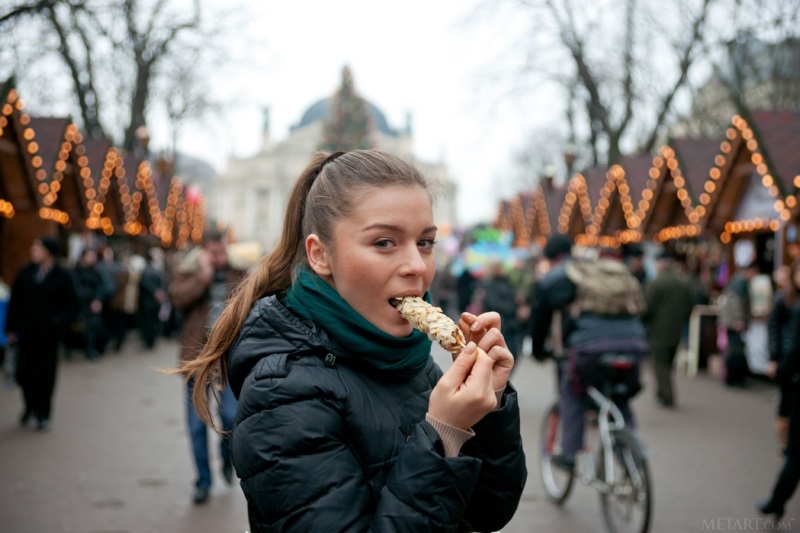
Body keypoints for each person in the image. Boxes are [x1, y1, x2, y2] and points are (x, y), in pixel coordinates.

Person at [177, 150, 527, 531]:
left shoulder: (410, 358)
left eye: (425, 242)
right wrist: (442, 436)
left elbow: (489, 512)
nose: (416, 265)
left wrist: (488, 409)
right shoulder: (283, 390)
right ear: (320, 255)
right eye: (384, 243)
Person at [529, 237, 647, 471]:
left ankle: (569, 455)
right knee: (620, 397)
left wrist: (538, 350)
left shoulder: (567, 277)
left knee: (572, 393)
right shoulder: (614, 276)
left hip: (590, 347)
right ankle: (633, 460)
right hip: (633, 344)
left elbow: (539, 314)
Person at [168, 230, 247, 505]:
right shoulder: (189, 271)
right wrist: (202, 279)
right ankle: (203, 481)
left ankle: (227, 459)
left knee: (231, 416)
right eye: (212, 252)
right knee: (195, 425)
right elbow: (177, 299)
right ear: (203, 251)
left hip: (227, 359)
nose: (217, 257)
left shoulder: (238, 272)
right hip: (196, 360)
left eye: (221, 251)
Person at [5, 236, 78, 430]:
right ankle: (29, 406)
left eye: (37, 248)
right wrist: (11, 329)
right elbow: (15, 302)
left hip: (49, 337)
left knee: (46, 376)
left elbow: (72, 303)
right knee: (24, 373)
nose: (33, 250)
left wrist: (58, 322)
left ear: (49, 252)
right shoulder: (26, 272)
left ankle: (43, 414)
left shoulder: (62, 275)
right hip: (27, 334)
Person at [758, 259, 800, 520]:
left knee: (796, 454)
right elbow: (777, 330)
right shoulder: (785, 301)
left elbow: (796, 348)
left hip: (793, 374)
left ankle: (776, 501)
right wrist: (777, 360)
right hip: (791, 376)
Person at [641, 250, 696, 408]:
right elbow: (690, 306)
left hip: (658, 330)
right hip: (676, 329)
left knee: (660, 364)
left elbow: (646, 308)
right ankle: (662, 393)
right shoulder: (684, 282)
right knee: (668, 362)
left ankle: (667, 395)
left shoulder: (656, 283)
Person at [768, 261, 800, 453]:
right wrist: (774, 357)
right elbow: (774, 329)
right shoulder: (784, 299)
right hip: (787, 359)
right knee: (786, 400)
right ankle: (785, 440)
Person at [719, 261, 759, 388]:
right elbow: (736, 303)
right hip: (734, 322)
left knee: (735, 349)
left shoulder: (737, 281)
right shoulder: (739, 283)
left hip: (731, 321)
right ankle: (734, 378)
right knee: (736, 351)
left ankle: (732, 377)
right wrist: (739, 320)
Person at [72, 248, 109, 360]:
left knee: (93, 327)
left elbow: (100, 287)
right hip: (80, 305)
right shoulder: (76, 271)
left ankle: (90, 349)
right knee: (78, 327)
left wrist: (97, 300)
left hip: (93, 305)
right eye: (90, 256)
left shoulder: (95, 271)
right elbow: (75, 288)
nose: (92, 259)